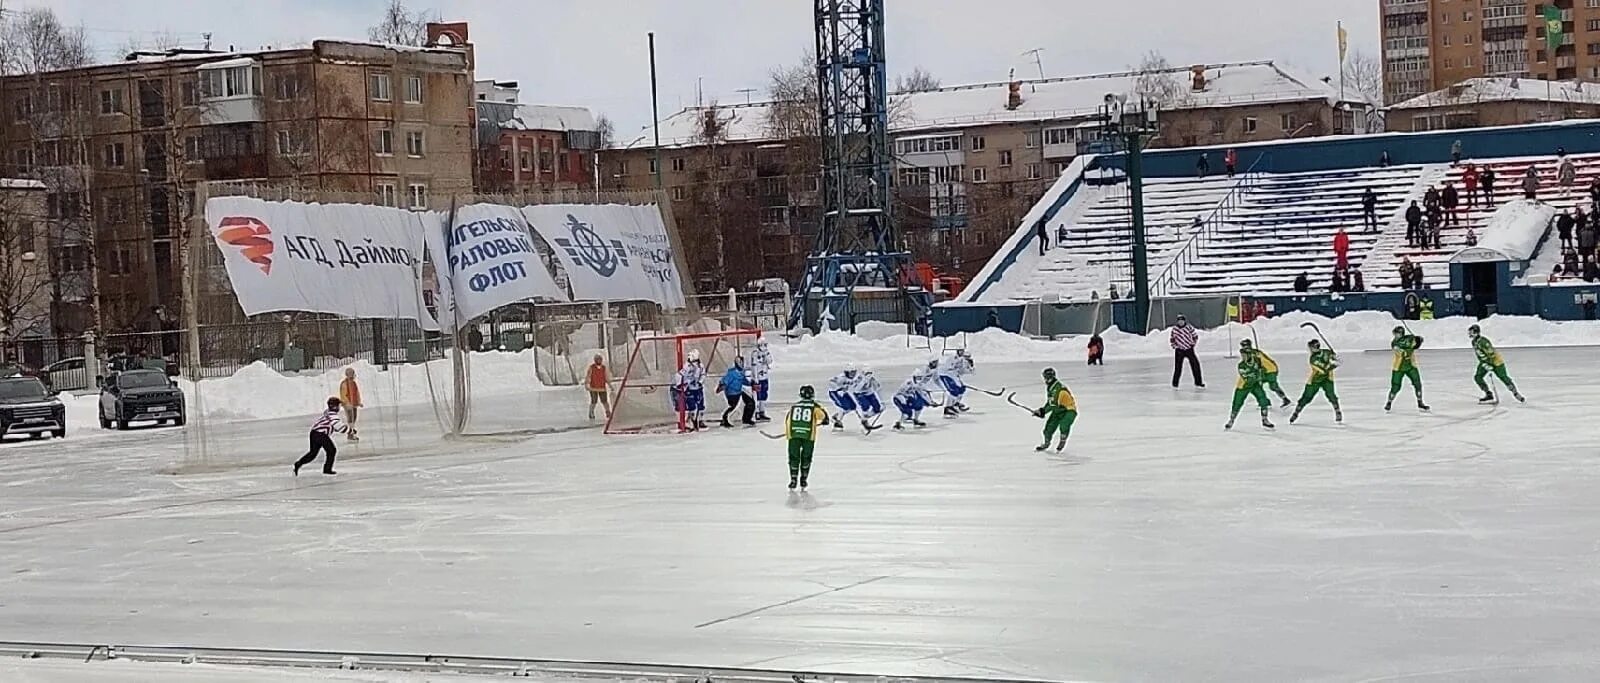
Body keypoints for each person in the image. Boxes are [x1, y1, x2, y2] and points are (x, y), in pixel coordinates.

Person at [784, 385, 827, 490]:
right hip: (808, 435)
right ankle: (803, 479)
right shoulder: (814, 407)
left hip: (793, 434)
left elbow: (787, 420)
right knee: (806, 457)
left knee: (793, 457)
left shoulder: (794, 406)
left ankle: (793, 479)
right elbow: (822, 416)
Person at [1469, 324, 1524, 404]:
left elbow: (1492, 354)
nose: (1470, 334)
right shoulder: (1474, 342)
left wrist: (1490, 365)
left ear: (1476, 332)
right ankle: (1488, 394)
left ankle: (1515, 392)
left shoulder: (1484, 342)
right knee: (1478, 377)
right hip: (1485, 362)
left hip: (1496, 362)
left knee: (1503, 377)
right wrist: (1484, 363)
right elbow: (1479, 354)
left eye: (1472, 332)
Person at [1290, 339, 1341, 424]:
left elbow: (1333, 358)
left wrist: (1335, 358)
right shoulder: (1314, 359)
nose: (1309, 350)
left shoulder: (1325, 353)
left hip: (1326, 379)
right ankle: (1296, 412)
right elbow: (1324, 369)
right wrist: (1334, 364)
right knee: (1306, 397)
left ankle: (1338, 411)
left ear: (1314, 348)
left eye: (1310, 348)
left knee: (1331, 395)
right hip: (1315, 380)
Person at [1225, 343, 1274, 431]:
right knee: (1237, 403)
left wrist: (1262, 372)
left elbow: (1264, 369)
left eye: (1244, 355)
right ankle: (1231, 420)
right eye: (1242, 355)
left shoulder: (1257, 361)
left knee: (1263, 399)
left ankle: (1265, 419)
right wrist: (1258, 375)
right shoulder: (1241, 366)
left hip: (1255, 384)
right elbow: (1248, 378)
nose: (1243, 357)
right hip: (1244, 386)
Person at [294, 397, 348, 476]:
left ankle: (298, 463)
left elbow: (333, 426)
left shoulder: (328, 412)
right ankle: (327, 469)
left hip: (314, 433)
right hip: (321, 434)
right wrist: (351, 431)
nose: (340, 407)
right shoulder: (333, 415)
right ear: (335, 407)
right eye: (339, 405)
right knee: (331, 450)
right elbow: (340, 428)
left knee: (313, 453)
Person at [1032, 367, 1077, 452]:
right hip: (1058, 410)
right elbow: (1049, 403)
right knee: (1048, 429)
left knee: (1064, 425)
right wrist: (1041, 410)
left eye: (1045, 377)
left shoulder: (1058, 388)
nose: (1044, 379)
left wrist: (1042, 412)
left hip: (1068, 410)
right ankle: (1046, 443)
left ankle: (1063, 440)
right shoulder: (1051, 387)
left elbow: (1053, 404)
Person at [1386, 326, 1429, 412]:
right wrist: (1415, 343)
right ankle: (1389, 402)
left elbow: (1415, 344)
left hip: (1411, 366)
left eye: (1397, 334)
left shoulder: (1409, 338)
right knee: (1396, 387)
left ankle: (1420, 402)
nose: (1395, 336)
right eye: (1395, 334)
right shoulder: (1394, 343)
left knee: (1417, 384)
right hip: (1399, 368)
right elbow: (1404, 351)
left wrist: (1418, 339)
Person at [1240, 339, 1291, 408]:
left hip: (1270, 370)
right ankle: (1266, 401)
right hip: (1267, 370)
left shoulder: (1253, 353)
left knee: (1271, 385)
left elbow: (1258, 364)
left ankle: (1284, 399)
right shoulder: (1252, 352)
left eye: (1245, 346)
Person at [671, 348, 708, 431]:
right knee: (689, 406)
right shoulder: (687, 366)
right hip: (688, 389)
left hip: (697, 388)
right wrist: (681, 385)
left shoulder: (700, 366)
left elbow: (703, 374)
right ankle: (686, 422)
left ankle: (699, 421)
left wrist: (700, 382)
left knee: (700, 405)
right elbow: (679, 375)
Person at [717, 357, 755, 428]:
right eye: (740, 363)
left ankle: (747, 418)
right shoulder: (732, 373)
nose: (742, 364)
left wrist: (751, 383)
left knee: (750, 402)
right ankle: (725, 419)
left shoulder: (741, 373)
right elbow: (725, 380)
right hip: (732, 393)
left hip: (739, 391)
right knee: (733, 406)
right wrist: (721, 386)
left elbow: (744, 380)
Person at [937, 349, 975, 416]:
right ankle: (947, 408)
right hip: (945, 374)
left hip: (953, 375)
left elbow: (962, 371)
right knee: (954, 391)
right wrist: (958, 370)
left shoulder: (963, 360)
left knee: (962, 389)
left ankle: (955, 404)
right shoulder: (952, 357)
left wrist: (970, 368)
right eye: (960, 351)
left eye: (962, 351)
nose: (961, 353)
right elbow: (949, 368)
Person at [1169, 314, 1203, 388]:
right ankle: (1175, 383)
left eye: (1182, 321)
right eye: (1179, 321)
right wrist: (1175, 346)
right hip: (1179, 350)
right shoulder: (1175, 329)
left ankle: (1198, 382)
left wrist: (1192, 344)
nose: (1181, 322)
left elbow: (1195, 336)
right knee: (1178, 368)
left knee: (1195, 365)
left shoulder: (1189, 327)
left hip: (1189, 349)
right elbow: (1172, 339)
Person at [827, 364, 861, 430]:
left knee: (852, 406)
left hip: (844, 392)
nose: (853, 374)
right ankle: (837, 423)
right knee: (844, 407)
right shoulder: (841, 377)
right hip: (835, 392)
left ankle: (836, 417)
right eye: (851, 372)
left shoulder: (854, 378)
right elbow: (831, 382)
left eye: (854, 372)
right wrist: (838, 389)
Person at [850, 368, 884, 432]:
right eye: (867, 373)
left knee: (877, 408)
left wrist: (875, 385)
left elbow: (878, 387)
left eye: (870, 373)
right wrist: (863, 381)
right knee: (865, 405)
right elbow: (856, 389)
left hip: (869, 393)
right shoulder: (859, 378)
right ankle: (865, 420)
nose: (869, 375)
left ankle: (864, 418)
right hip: (859, 393)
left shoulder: (872, 379)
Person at [748, 338, 773, 421]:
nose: (765, 346)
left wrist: (766, 354)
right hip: (757, 378)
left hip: (764, 377)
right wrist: (755, 379)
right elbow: (754, 366)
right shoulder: (755, 353)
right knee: (757, 396)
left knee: (763, 395)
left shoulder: (766, 353)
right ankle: (756, 412)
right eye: (764, 345)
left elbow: (770, 361)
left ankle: (762, 411)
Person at [338, 367, 362, 442]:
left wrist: (358, 402)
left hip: (354, 404)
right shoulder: (345, 384)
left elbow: (356, 393)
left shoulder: (353, 383)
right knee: (350, 418)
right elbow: (343, 394)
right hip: (348, 405)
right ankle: (351, 432)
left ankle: (351, 430)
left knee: (354, 418)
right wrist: (347, 403)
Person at [585, 354, 609, 420]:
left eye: (600, 359)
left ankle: (608, 411)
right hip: (593, 388)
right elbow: (588, 376)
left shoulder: (604, 368)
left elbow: (606, 377)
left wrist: (610, 385)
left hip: (602, 388)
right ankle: (591, 412)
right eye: (598, 359)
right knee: (594, 401)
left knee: (605, 401)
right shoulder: (591, 367)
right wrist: (586, 384)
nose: (599, 361)